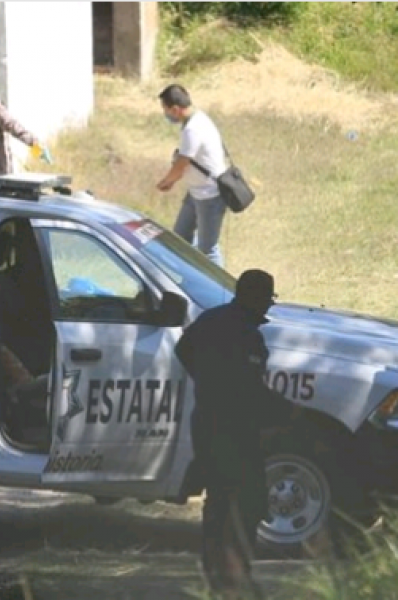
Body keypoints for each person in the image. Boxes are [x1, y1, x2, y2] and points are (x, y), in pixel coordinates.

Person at [175, 269, 307, 599]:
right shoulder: (247, 335)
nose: (267, 307)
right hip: (235, 430)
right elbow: (250, 390)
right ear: (255, 297)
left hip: (206, 422)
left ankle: (214, 569)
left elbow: (183, 350)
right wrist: (289, 412)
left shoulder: (211, 319)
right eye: (266, 299)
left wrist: (206, 383)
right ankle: (236, 573)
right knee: (247, 502)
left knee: (217, 499)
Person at [156, 83, 228, 267]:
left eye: (165, 110)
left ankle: (221, 290)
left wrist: (167, 182)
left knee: (208, 249)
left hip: (209, 195)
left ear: (175, 109)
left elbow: (182, 163)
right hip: (196, 191)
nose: (165, 115)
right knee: (181, 240)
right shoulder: (197, 119)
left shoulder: (192, 129)